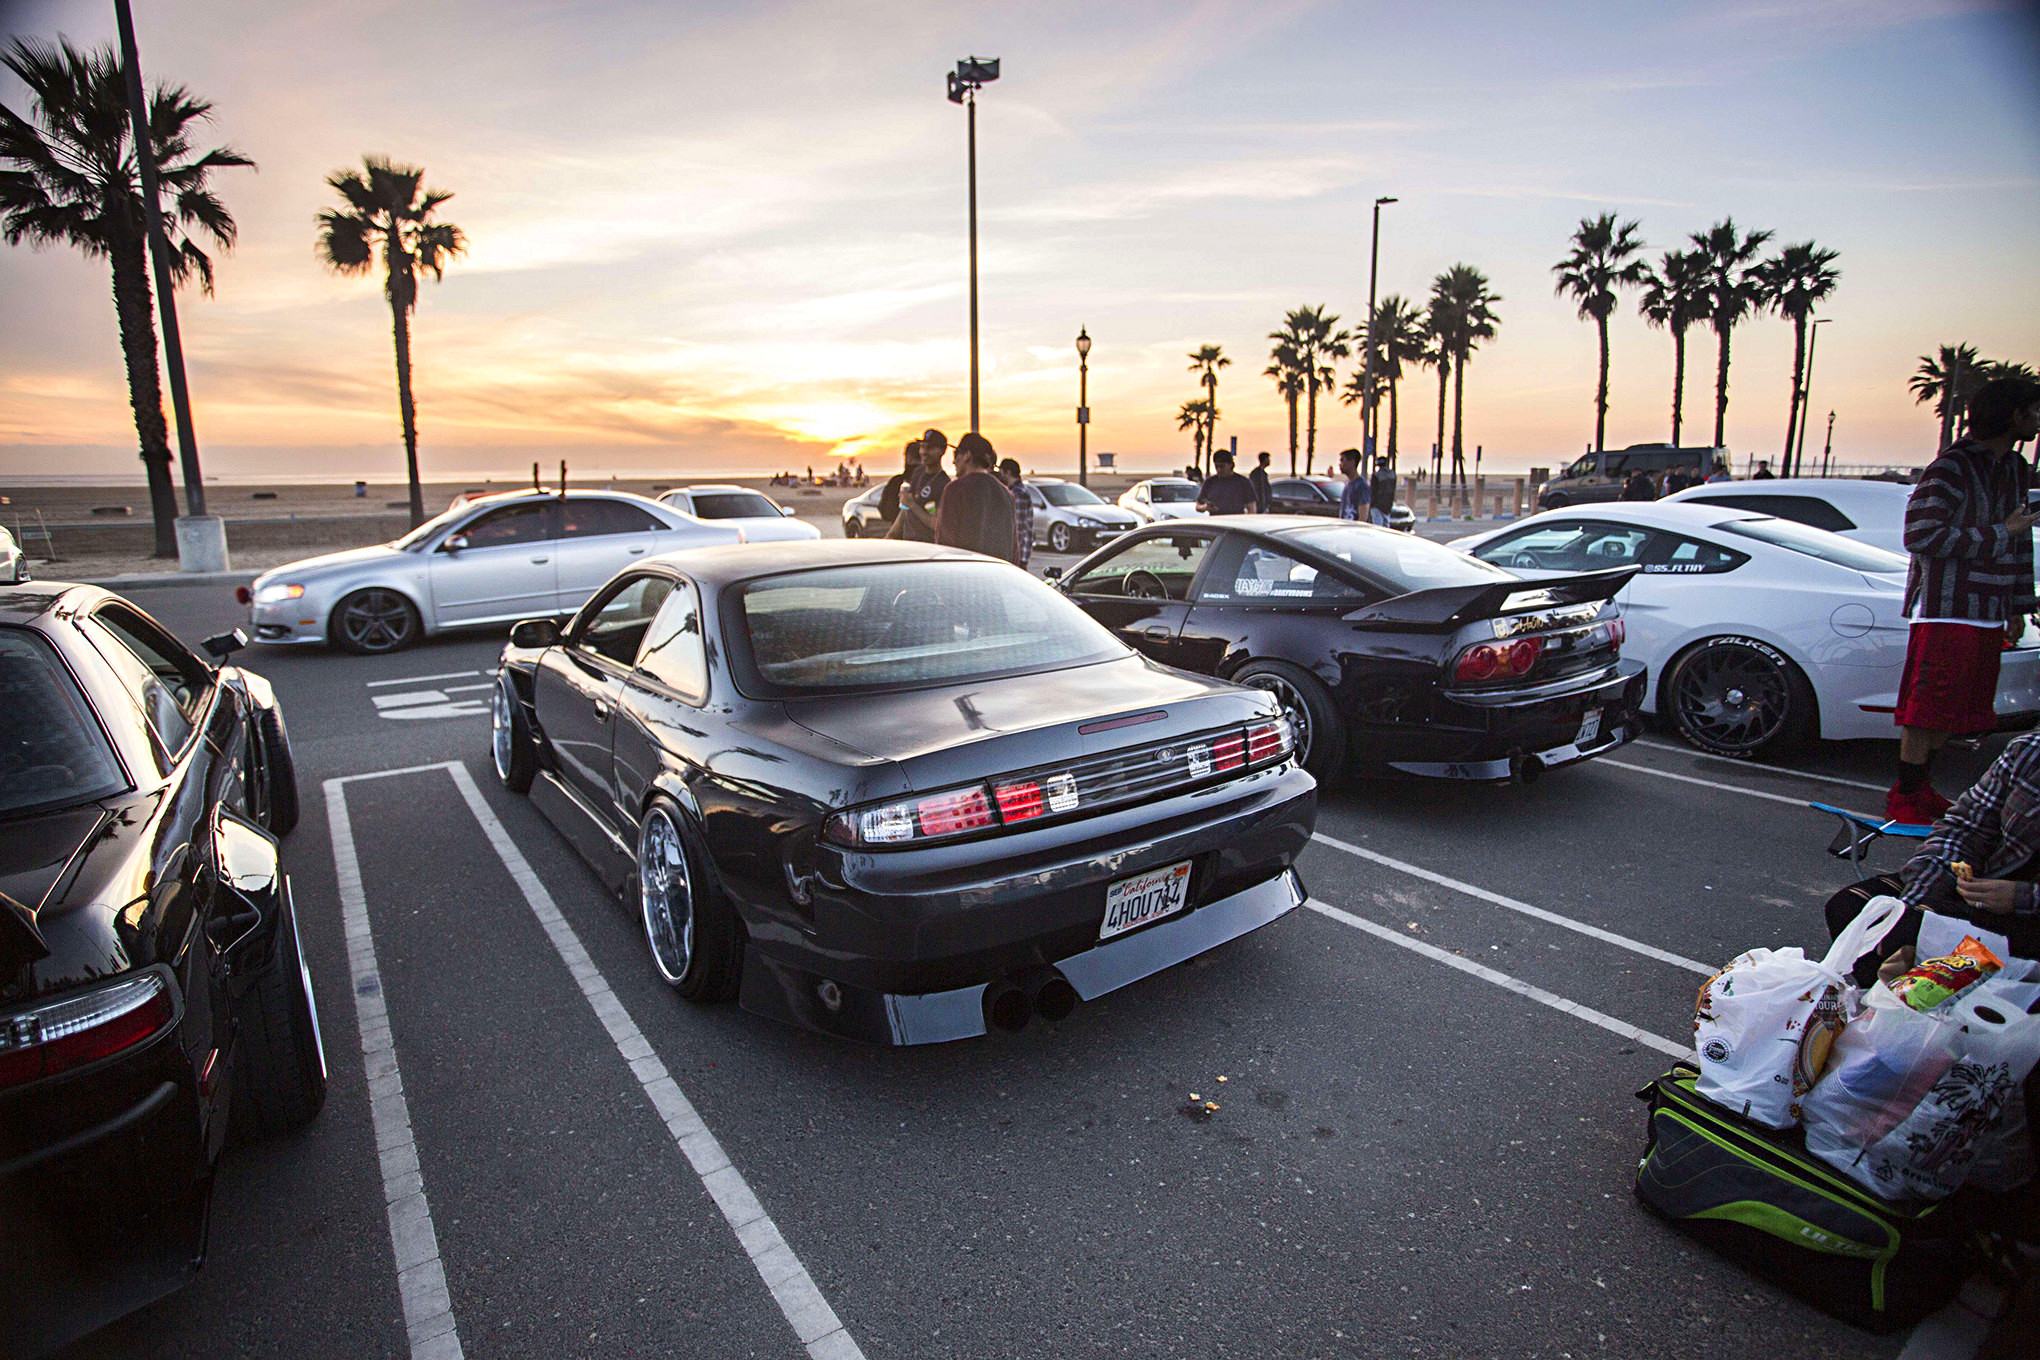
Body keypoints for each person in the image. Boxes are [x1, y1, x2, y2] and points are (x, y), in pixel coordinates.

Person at [1887, 377, 2040, 822]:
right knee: (1927, 708)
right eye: (2033, 411)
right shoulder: (1951, 467)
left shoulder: (2013, 467)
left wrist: (2017, 605)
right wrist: (1999, 533)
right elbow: (1920, 535)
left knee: (1954, 711)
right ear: (2015, 415)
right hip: (1946, 607)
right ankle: (1906, 797)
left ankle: (1922, 790)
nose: (2037, 420)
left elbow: (2020, 540)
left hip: (1988, 611)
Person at [935, 433, 1018, 563]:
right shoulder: (1007, 494)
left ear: (967, 456)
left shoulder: (955, 490)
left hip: (967, 577)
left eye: (956, 454)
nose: (953, 461)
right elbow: (1014, 551)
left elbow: (945, 545)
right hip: (1000, 577)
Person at [887, 429, 951, 541]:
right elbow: (905, 510)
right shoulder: (918, 472)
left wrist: (912, 504)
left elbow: (937, 525)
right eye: (922, 447)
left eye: (929, 448)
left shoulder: (944, 484)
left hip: (927, 548)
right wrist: (890, 536)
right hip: (908, 543)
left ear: (942, 451)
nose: (924, 452)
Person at [1197, 449, 1259, 515]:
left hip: (1234, 522)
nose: (1219, 470)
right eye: (1216, 466)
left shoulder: (1243, 482)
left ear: (1231, 465)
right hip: (1215, 522)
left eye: (1222, 466)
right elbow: (1198, 505)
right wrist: (1205, 507)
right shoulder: (1210, 482)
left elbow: (1251, 508)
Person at [998, 457, 1033, 567]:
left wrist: (1020, 558)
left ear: (1007, 472)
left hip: (1018, 556)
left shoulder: (1018, 493)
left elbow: (1018, 527)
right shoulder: (1017, 490)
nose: (1000, 476)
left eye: (1001, 472)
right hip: (1018, 555)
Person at [878, 440, 918, 533]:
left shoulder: (896, 482)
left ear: (908, 458)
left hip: (900, 536)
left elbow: (884, 511)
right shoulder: (932, 481)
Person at [1335, 448, 1370, 521]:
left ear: (1352, 462)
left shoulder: (1361, 486)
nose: (1340, 464)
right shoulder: (1348, 484)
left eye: (1342, 460)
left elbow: (1363, 516)